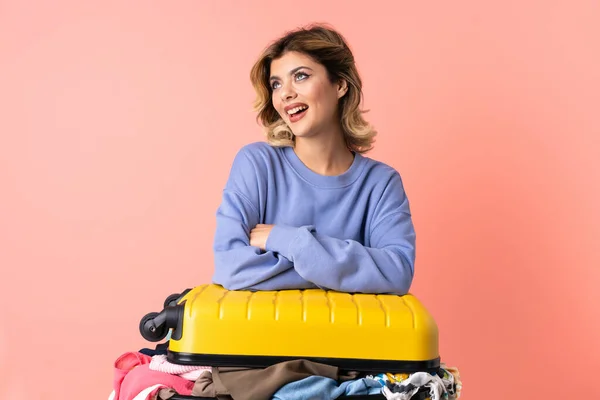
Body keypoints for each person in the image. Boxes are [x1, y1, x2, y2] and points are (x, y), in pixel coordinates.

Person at [211, 24, 416, 295]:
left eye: (301, 76)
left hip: (347, 338)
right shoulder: (257, 165)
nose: (285, 93)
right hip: (261, 337)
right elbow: (231, 268)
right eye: (276, 83)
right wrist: (346, 274)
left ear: (340, 84)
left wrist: (289, 241)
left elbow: (397, 272)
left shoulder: (381, 183)